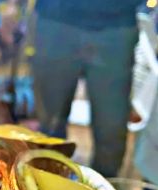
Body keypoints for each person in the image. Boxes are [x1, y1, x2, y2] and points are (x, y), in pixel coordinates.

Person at [32, 0, 144, 177]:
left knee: (111, 129)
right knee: (49, 125)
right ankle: (44, 188)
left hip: (117, 23)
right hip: (54, 20)